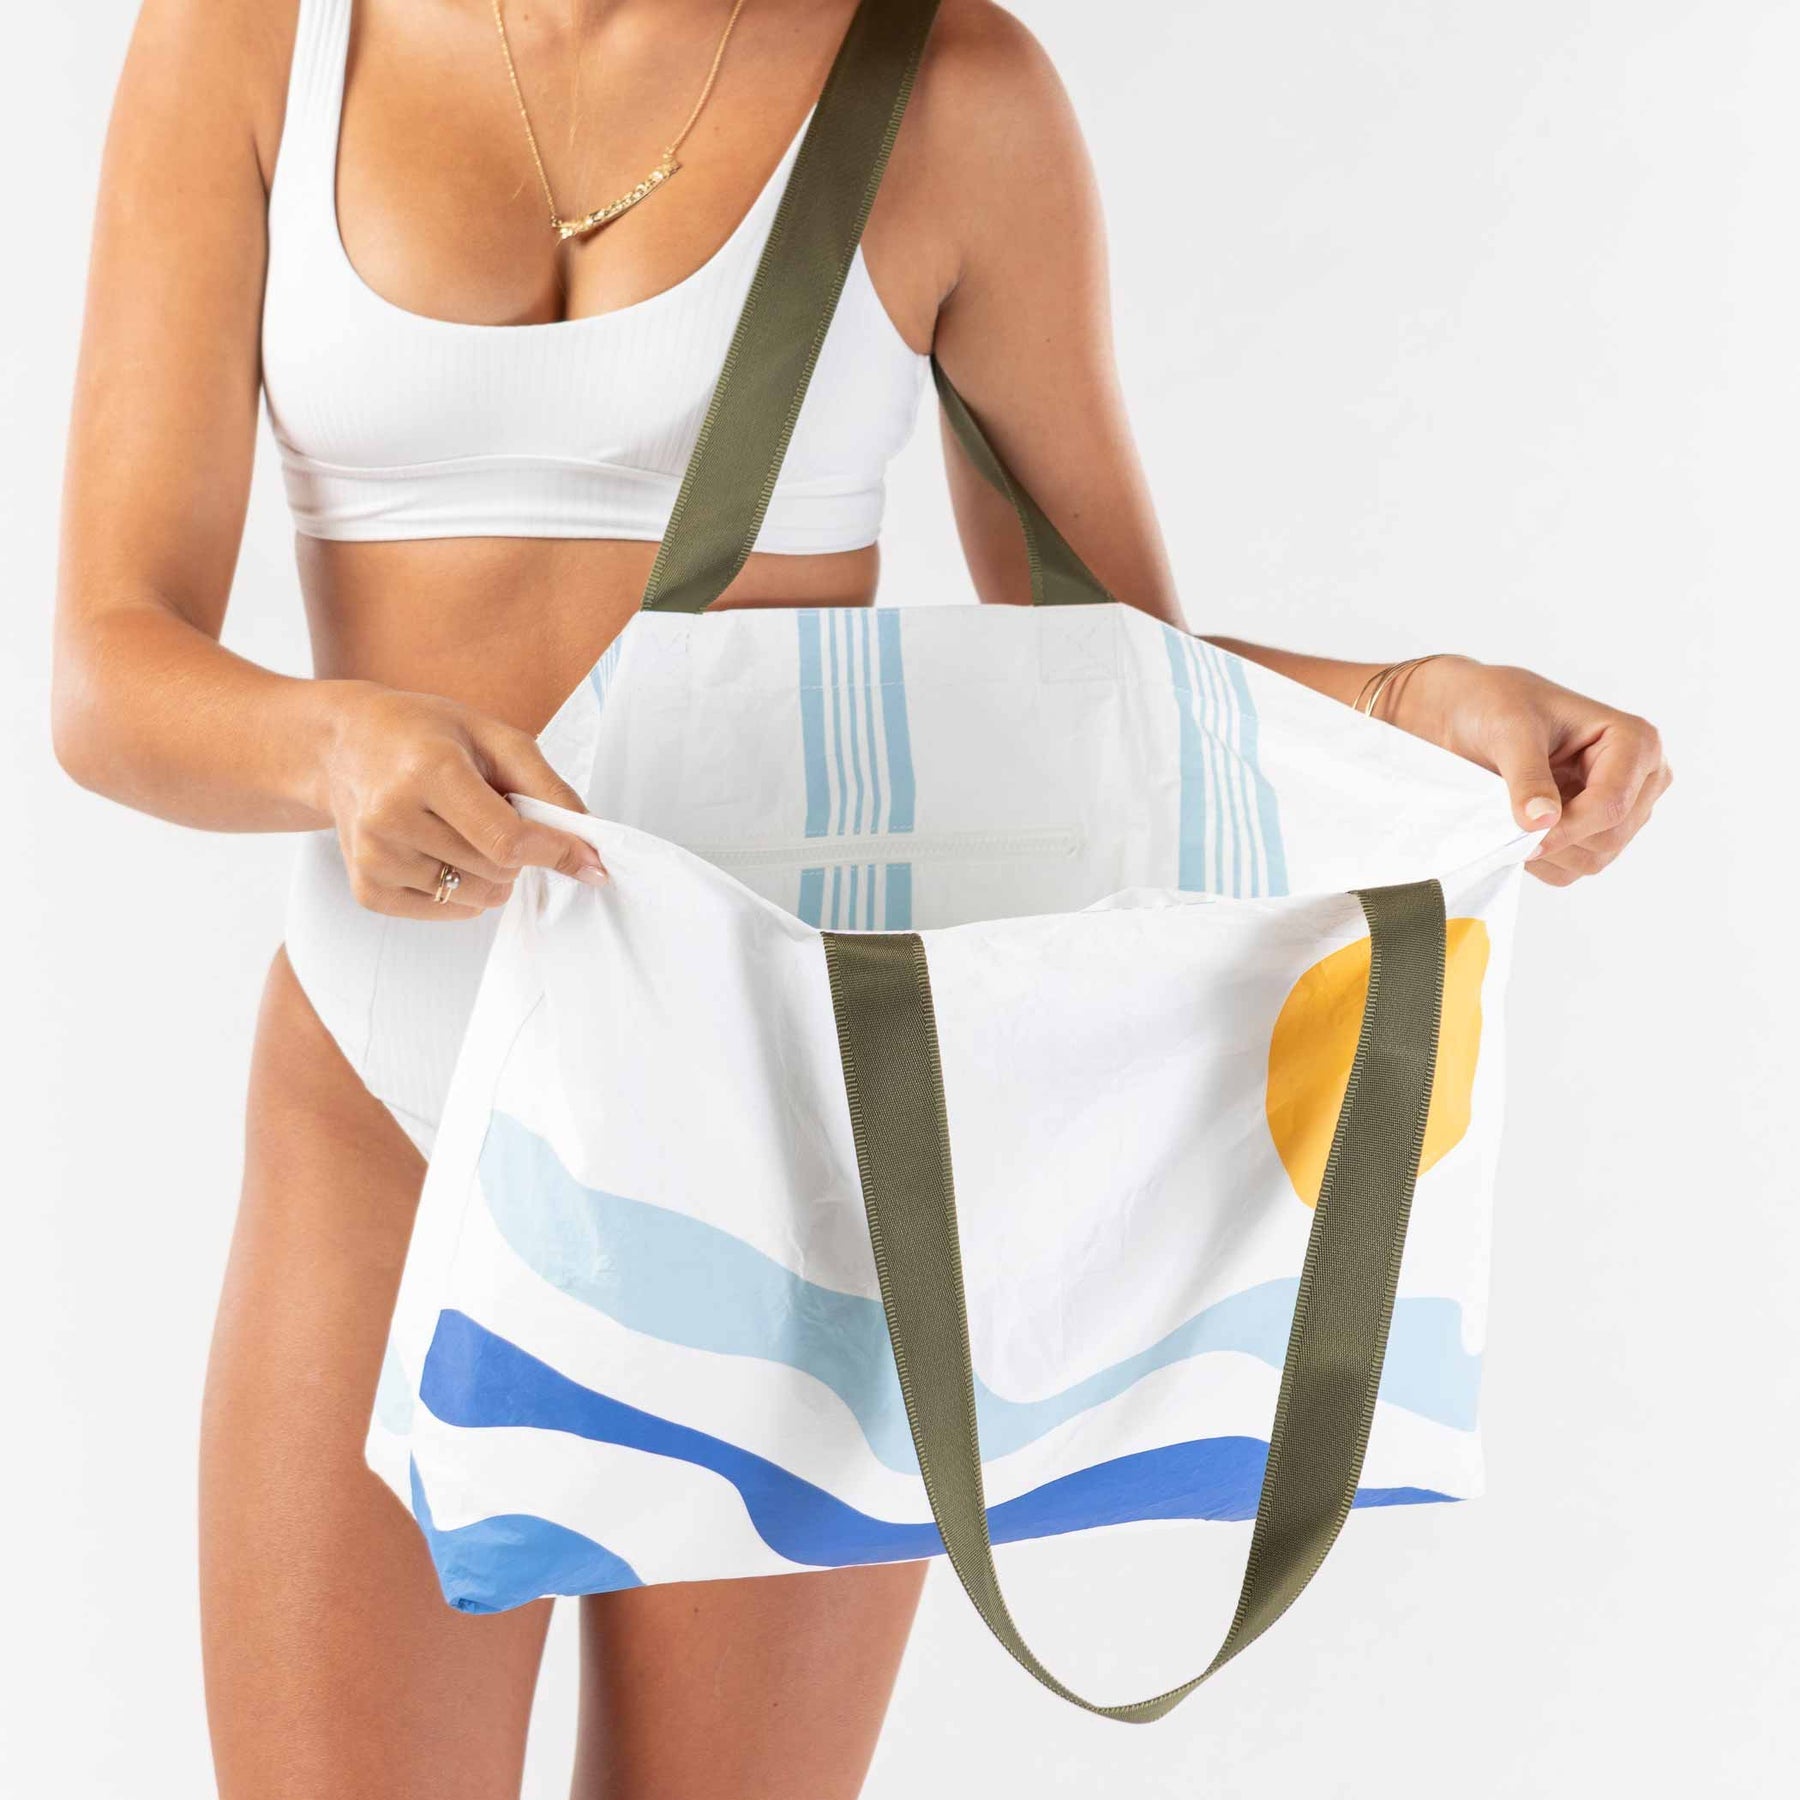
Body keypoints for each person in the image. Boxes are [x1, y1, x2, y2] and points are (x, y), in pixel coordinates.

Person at [52, 0, 1670, 1794]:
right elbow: (105, 672)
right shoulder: (251, 42)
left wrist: (1408, 701)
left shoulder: (951, 92)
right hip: (377, 1100)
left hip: (787, 1128)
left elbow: (1110, 695)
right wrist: (330, 748)